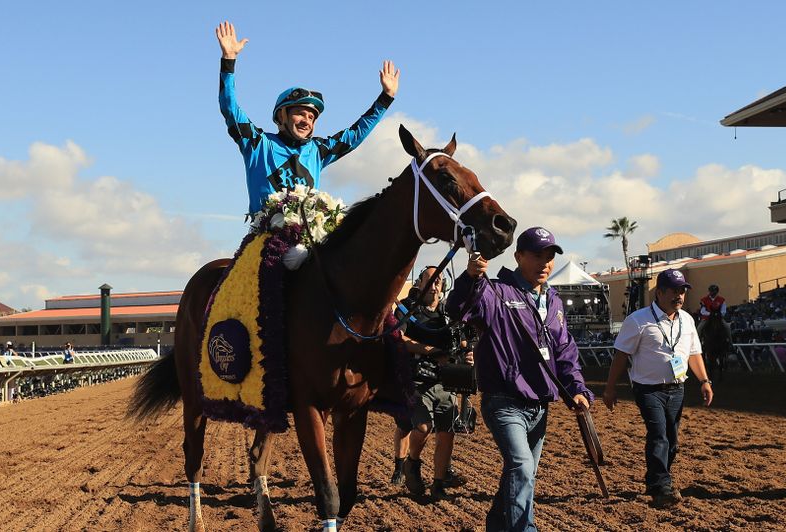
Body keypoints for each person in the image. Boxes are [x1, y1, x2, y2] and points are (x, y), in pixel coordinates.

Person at [446, 226, 593, 531]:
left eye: (550, 256)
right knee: (522, 468)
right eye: (537, 256)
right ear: (518, 256)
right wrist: (470, 277)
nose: (545, 263)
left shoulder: (553, 301)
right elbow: (458, 308)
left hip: (540, 405)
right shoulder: (495, 291)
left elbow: (564, 350)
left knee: (521, 473)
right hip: (503, 401)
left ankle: (498, 524)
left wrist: (576, 388)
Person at [215, 20, 399, 214]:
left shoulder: (318, 151)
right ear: (281, 116)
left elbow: (354, 135)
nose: (306, 121)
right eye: (300, 114)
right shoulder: (258, 144)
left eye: (311, 117)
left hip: (307, 238)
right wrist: (228, 60)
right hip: (263, 239)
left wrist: (385, 98)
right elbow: (229, 107)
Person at [602, 269, 714, 508]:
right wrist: (610, 388)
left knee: (671, 440)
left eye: (682, 290)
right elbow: (621, 355)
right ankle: (662, 485)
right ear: (660, 292)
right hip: (647, 389)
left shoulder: (687, 320)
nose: (680, 295)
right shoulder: (638, 320)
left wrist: (704, 381)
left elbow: (693, 353)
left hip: (677, 388)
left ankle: (656, 480)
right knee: (658, 435)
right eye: (674, 290)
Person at [392, 267, 468, 501]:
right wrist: (431, 351)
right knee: (423, 427)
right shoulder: (406, 307)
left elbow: (463, 339)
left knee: (446, 434)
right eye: (430, 280)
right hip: (415, 379)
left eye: (439, 281)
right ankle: (410, 463)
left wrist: (467, 352)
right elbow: (399, 339)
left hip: (446, 379)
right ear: (420, 283)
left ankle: (438, 485)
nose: (434, 285)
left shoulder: (449, 311)